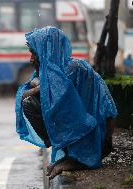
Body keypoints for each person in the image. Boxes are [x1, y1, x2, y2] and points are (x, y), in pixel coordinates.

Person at [15, 26, 117, 179]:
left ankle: (78, 158)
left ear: (46, 52)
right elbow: (22, 96)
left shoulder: (73, 69)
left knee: (44, 102)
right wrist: (39, 86)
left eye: (33, 53)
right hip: (90, 135)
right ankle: (69, 153)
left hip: (98, 141)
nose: (30, 59)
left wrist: (40, 87)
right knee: (30, 102)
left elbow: (62, 98)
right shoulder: (51, 71)